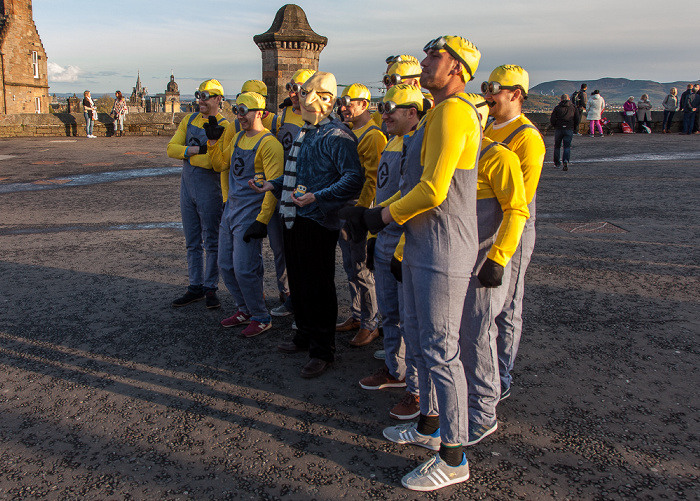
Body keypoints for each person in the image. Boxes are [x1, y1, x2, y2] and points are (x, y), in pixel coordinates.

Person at [344, 35, 483, 492]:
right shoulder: (437, 114)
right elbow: (415, 184)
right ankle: (427, 427)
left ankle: (454, 455)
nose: (425, 63)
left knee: (443, 350)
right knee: (423, 342)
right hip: (423, 243)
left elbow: (433, 190)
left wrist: (379, 217)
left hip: (444, 246)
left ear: (458, 69)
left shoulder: (455, 111)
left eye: (435, 57)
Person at [251, 71, 364, 378]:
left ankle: (322, 349)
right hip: (293, 216)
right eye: (301, 95)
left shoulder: (337, 137)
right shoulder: (307, 132)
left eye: (306, 95)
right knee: (300, 281)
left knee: (318, 285)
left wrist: (318, 197)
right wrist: (273, 185)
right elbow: (296, 175)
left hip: (317, 220)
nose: (299, 100)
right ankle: (304, 335)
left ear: (326, 101)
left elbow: (353, 179)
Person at [459, 92, 529, 446]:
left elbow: (518, 210)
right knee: (458, 336)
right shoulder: (454, 156)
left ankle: (483, 412)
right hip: (456, 262)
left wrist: (499, 259)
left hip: (483, 262)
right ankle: (464, 404)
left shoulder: (499, 157)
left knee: (478, 333)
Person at [357, 84, 424, 421]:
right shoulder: (392, 141)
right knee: (390, 311)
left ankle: (416, 389)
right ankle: (394, 369)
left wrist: (397, 245)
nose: (385, 113)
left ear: (413, 112)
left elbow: (412, 196)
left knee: (413, 320)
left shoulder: (417, 145)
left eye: (392, 107)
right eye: (383, 105)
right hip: (384, 235)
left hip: (405, 239)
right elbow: (381, 190)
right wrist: (372, 234)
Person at [481, 64, 545, 403]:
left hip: (513, 227)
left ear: (515, 94)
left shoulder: (527, 137)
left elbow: (519, 203)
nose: (487, 93)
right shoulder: (491, 127)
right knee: (484, 305)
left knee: (507, 305)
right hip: (485, 223)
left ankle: (501, 374)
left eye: (494, 87)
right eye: (486, 86)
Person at [206, 92, 283, 337]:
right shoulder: (238, 137)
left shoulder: (269, 144)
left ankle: (261, 316)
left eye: (244, 111)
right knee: (225, 265)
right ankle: (245, 309)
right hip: (232, 210)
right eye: (237, 111)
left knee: (244, 268)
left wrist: (261, 221)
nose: (240, 116)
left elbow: (274, 185)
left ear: (259, 112)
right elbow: (220, 165)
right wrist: (212, 142)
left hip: (251, 213)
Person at [166, 79, 229, 309]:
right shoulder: (189, 119)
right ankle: (195, 286)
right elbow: (171, 148)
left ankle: (210, 287)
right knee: (192, 240)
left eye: (206, 95)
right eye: (199, 95)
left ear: (218, 99)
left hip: (210, 189)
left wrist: (188, 155)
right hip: (188, 187)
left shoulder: (225, 125)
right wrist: (194, 150)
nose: (200, 100)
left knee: (212, 241)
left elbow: (217, 163)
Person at [335, 83, 386, 347]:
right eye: (342, 102)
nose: (343, 107)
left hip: (360, 208)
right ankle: (358, 315)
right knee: (350, 265)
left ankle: (370, 323)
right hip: (347, 206)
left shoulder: (373, 136)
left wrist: (361, 212)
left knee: (363, 268)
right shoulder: (351, 131)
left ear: (364, 105)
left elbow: (374, 179)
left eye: (349, 102)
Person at [268, 69, 316, 319]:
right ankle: (288, 294)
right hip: (282, 186)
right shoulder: (284, 113)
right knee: (281, 248)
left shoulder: (316, 120)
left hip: (304, 193)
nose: (292, 93)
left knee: (303, 252)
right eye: (291, 87)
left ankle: (304, 302)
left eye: (298, 88)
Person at [550, 94, 580, 170]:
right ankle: (565, 160)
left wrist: (555, 125)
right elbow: (577, 119)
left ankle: (557, 163)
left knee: (557, 146)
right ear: (569, 99)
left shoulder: (557, 108)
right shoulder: (573, 107)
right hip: (569, 128)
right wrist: (574, 127)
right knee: (566, 146)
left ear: (561, 99)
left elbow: (552, 119)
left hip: (559, 128)